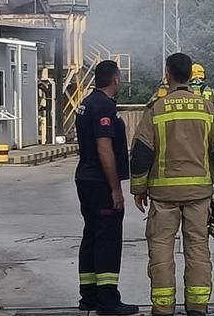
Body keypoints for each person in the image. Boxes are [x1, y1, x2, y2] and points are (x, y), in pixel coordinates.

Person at [130, 53, 214, 316]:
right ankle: (197, 307)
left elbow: (141, 153)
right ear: (191, 75)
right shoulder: (207, 108)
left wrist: (138, 189)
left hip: (163, 195)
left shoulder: (156, 108)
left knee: (161, 249)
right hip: (199, 194)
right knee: (198, 248)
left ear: (167, 74)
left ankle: (163, 308)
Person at [75, 60, 139, 315]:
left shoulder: (87, 102)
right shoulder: (103, 106)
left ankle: (88, 296)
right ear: (115, 79)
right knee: (107, 240)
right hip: (100, 183)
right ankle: (108, 300)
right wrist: (115, 189)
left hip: (85, 179)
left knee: (91, 236)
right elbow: (105, 149)